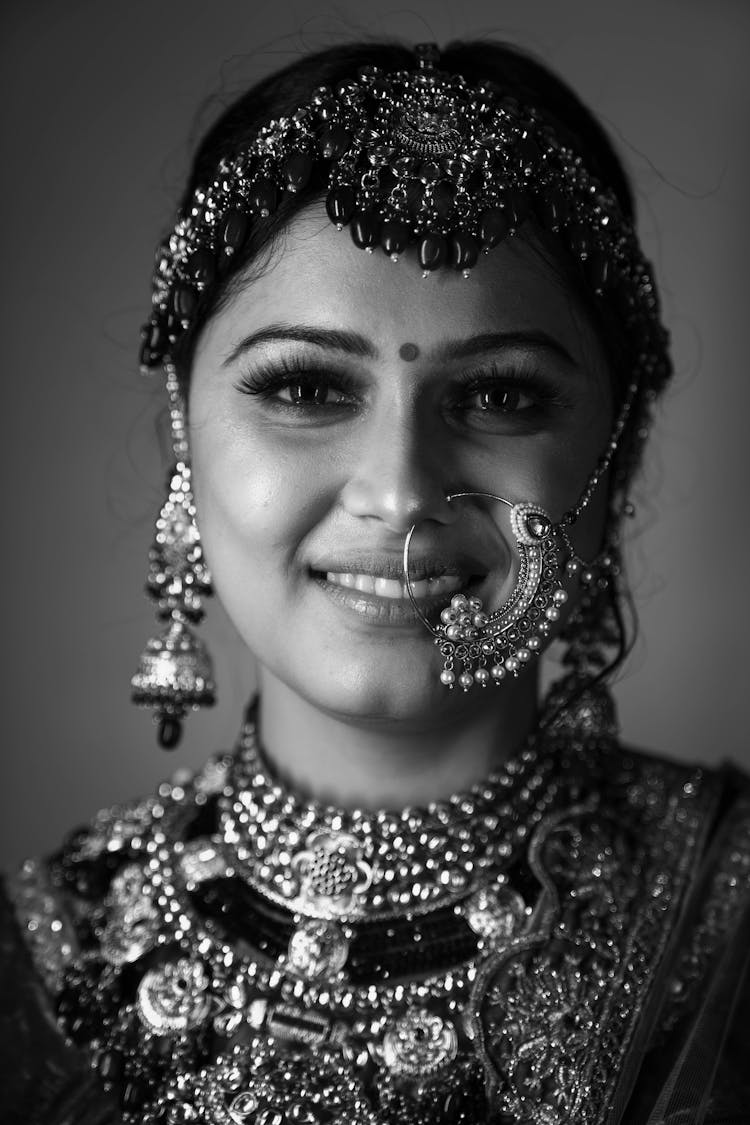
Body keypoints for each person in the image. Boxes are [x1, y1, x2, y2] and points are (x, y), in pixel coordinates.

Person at [2, 37, 748, 1125]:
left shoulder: (723, 908)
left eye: (498, 398)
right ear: (183, 426)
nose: (399, 493)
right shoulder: (46, 956)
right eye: (306, 386)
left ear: (615, 454)